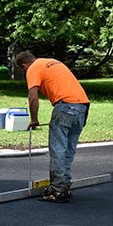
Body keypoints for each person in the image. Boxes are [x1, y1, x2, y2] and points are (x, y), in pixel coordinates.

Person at [16, 51, 90, 203]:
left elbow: (33, 96)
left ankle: (57, 190)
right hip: (82, 106)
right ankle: (64, 186)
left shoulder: (33, 68)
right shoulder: (51, 62)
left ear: (24, 66)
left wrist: (34, 119)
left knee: (58, 149)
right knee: (68, 150)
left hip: (65, 106)